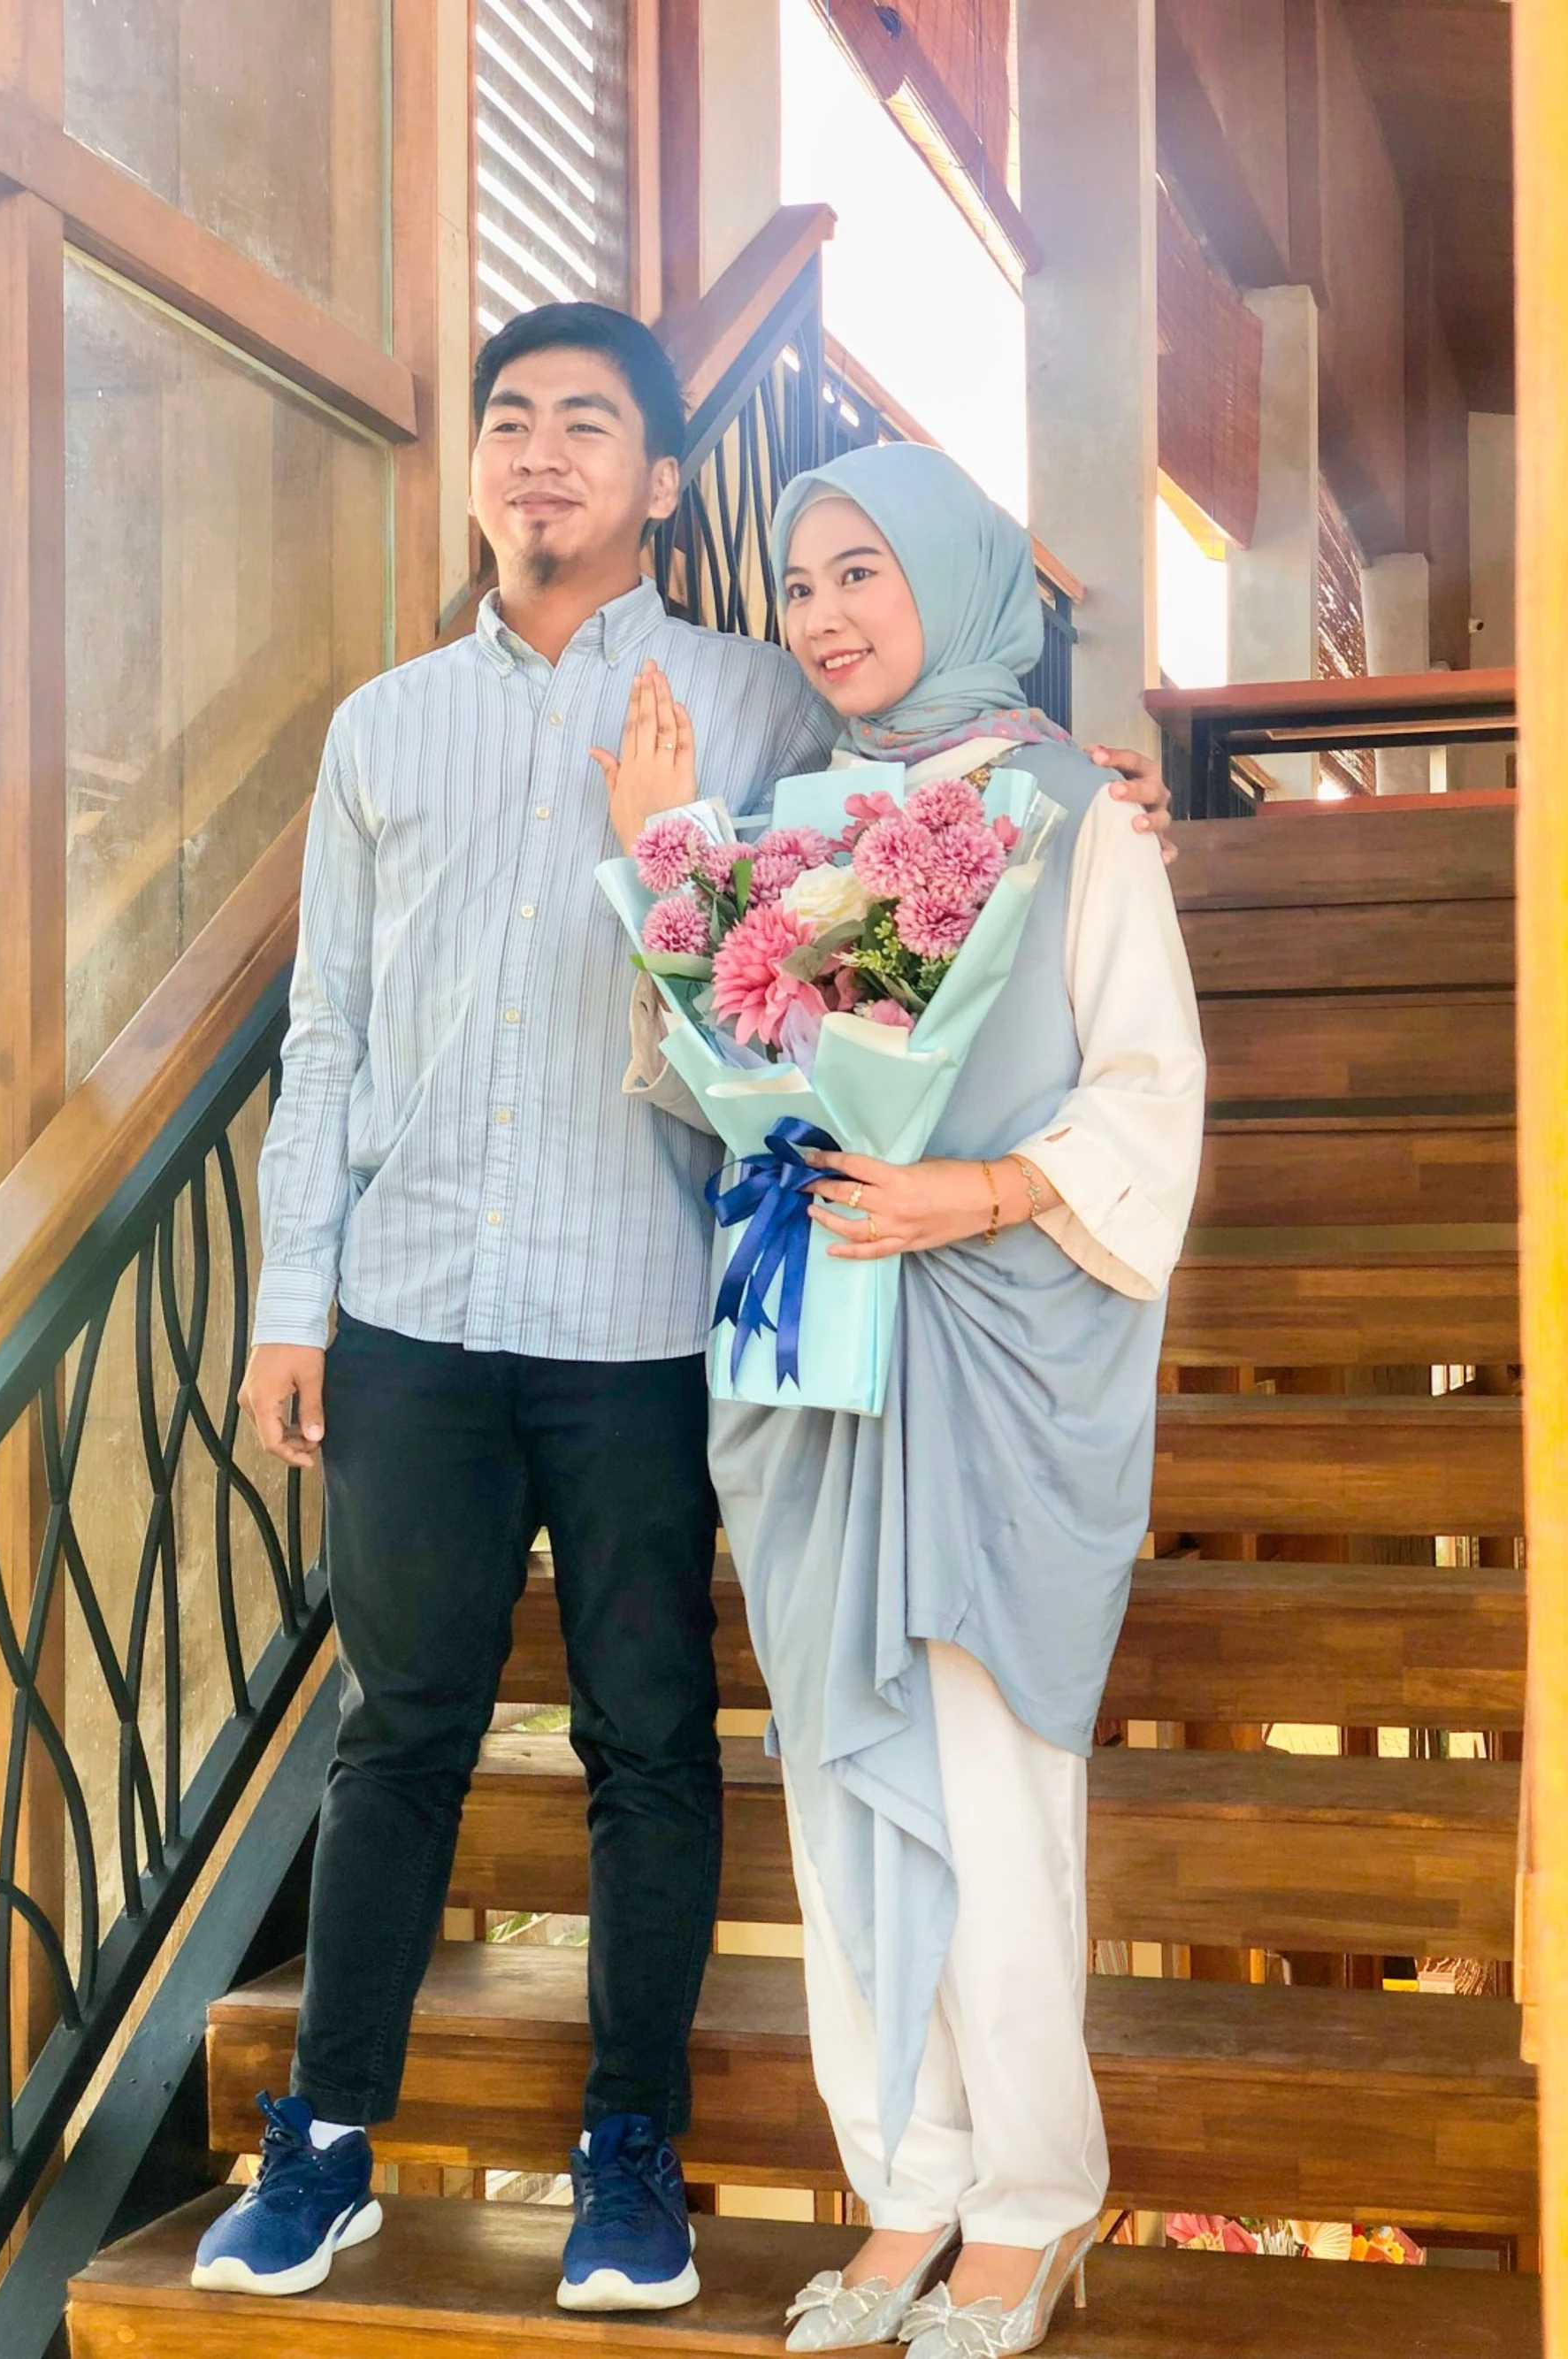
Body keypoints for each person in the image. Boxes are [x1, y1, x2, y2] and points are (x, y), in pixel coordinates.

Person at [197, 302, 1176, 2311]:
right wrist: (296, 1299)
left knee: (657, 1739)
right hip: (429, 1302)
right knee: (403, 1730)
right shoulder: (383, 727)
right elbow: (334, 1032)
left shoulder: (764, 701)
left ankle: (645, 2158)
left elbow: (928, 819)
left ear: (659, 479)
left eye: (587, 422)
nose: (539, 451)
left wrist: (1085, 786)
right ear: (474, 463)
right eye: (508, 419)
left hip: (661, 1310)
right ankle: (329, 2141)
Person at [679, 445, 1205, 2355]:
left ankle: (1034, 2203)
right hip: (822, 1353)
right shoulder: (788, 825)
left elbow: (1147, 1091)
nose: (822, 614)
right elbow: (713, 1062)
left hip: (1000, 1355)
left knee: (988, 1785)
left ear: (958, 580)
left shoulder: (1076, 811)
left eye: (862, 571)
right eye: (798, 580)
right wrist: (677, 890)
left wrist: (965, 1193)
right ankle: (906, 2177)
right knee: (841, 1785)